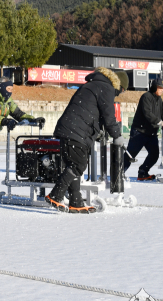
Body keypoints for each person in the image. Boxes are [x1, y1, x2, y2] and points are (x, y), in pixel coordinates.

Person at [47, 68, 129, 213]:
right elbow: (109, 116)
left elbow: (90, 110)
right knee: (78, 165)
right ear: (119, 85)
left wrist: (98, 131)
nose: (119, 94)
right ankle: (55, 195)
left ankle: (76, 202)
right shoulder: (107, 88)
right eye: (121, 91)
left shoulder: (92, 84)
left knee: (73, 166)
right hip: (77, 132)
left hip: (67, 129)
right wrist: (117, 136)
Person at [124, 78, 163, 181]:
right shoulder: (146, 97)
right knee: (130, 155)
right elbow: (147, 113)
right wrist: (159, 122)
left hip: (151, 133)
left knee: (154, 155)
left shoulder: (159, 100)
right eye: (160, 88)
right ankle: (118, 174)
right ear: (154, 87)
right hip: (139, 132)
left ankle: (143, 172)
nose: (162, 90)